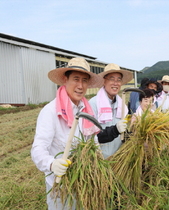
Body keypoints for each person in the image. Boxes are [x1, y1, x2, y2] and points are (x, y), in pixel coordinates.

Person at [31, 57, 104, 209]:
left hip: (83, 183)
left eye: (84, 80)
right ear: (65, 79)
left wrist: (99, 162)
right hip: (60, 187)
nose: (80, 85)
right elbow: (38, 148)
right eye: (76, 79)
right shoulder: (51, 111)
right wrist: (52, 164)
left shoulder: (87, 109)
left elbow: (93, 141)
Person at [89, 63, 133, 159]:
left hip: (118, 159)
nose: (115, 83)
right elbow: (91, 138)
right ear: (104, 81)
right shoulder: (93, 104)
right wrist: (115, 130)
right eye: (112, 79)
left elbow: (122, 134)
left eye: (118, 80)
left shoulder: (122, 106)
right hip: (99, 160)